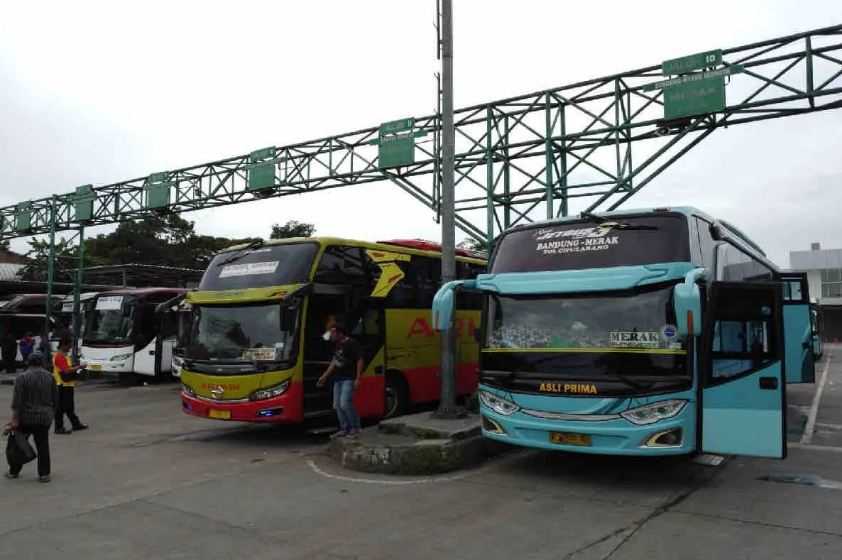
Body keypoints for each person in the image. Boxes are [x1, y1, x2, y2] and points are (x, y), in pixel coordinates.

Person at [5, 351, 54, 482]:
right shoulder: (50, 377)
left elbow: (17, 401)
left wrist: (14, 419)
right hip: (44, 417)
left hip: (26, 417)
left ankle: (14, 471)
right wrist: (51, 413)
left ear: (28, 363)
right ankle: (44, 474)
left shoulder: (22, 378)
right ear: (42, 363)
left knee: (18, 443)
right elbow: (55, 398)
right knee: (43, 445)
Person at [316, 322, 364, 438]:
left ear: (339, 333)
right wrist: (324, 376)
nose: (331, 336)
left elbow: (360, 360)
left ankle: (355, 428)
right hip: (338, 379)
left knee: (345, 403)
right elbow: (334, 362)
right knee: (337, 405)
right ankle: (344, 428)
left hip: (349, 378)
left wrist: (358, 378)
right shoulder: (337, 345)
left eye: (333, 333)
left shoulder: (352, 343)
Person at [52, 336, 88, 435]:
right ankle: (59, 428)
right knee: (61, 408)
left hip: (67, 384)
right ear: (63, 345)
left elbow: (67, 368)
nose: (70, 348)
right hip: (62, 385)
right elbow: (66, 370)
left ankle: (75, 424)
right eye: (69, 345)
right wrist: (79, 367)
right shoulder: (59, 356)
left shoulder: (63, 355)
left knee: (69, 407)